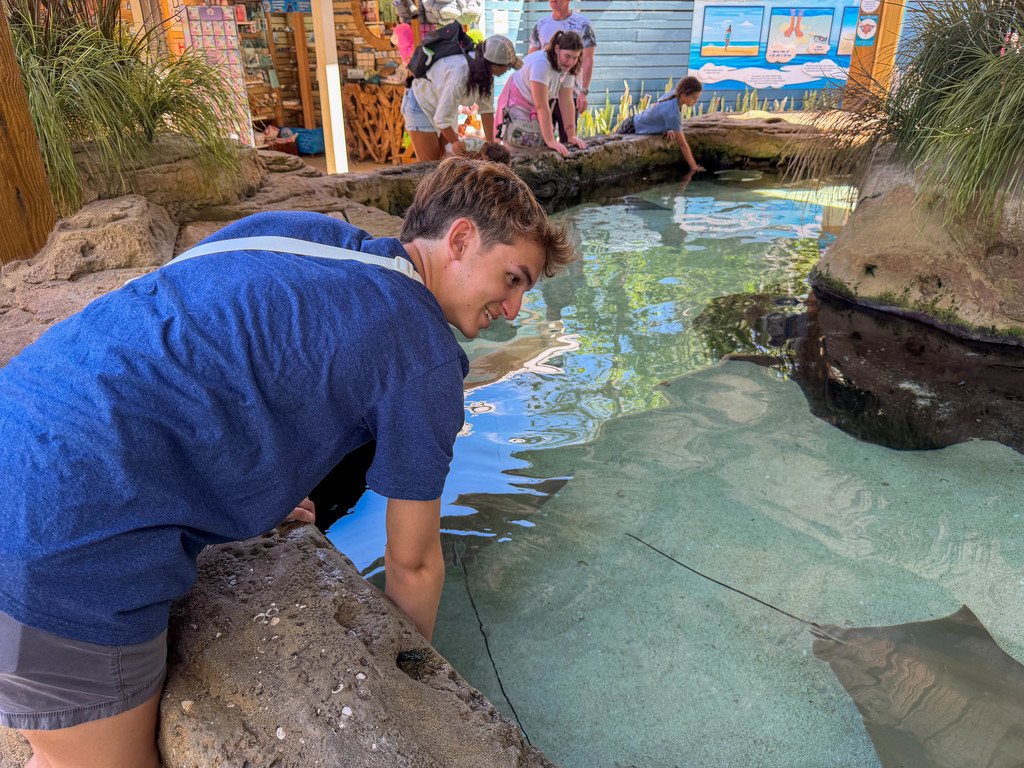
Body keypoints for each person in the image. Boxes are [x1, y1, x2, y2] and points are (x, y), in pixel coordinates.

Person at [0, 157, 575, 768]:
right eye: (513, 278)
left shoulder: (293, 229)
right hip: (61, 532)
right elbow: (412, 563)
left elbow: (199, 346)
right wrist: (411, 680)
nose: (514, 308)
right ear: (459, 239)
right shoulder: (424, 355)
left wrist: (265, 495)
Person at [401, 34, 522, 162]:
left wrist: (492, 148)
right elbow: (442, 120)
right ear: (495, 65)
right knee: (430, 165)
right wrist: (458, 145)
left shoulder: (486, 74)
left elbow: (486, 110)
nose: (508, 70)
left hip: (441, 108)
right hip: (420, 103)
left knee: (444, 160)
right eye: (507, 66)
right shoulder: (461, 73)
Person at [497, 30, 587, 158]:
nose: (571, 62)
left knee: (538, 145)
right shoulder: (541, 64)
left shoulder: (568, 68)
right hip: (517, 103)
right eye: (567, 56)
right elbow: (542, 105)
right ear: (557, 49)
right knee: (519, 146)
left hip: (534, 106)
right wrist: (550, 141)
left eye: (575, 57)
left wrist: (571, 135)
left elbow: (566, 102)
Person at [527, 0, 596, 141]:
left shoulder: (583, 25)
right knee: (541, 141)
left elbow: (588, 59)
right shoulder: (541, 25)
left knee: (569, 141)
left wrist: (584, 91)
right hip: (545, 93)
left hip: (570, 93)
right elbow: (532, 59)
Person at [616, 76, 706, 173]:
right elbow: (683, 145)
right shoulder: (673, 114)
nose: (695, 102)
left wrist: (668, 127)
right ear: (683, 96)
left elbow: (660, 112)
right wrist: (694, 167)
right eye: (694, 98)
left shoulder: (674, 94)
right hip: (630, 128)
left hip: (632, 121)